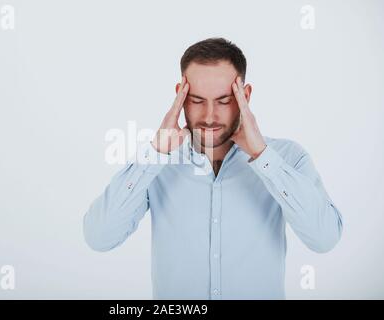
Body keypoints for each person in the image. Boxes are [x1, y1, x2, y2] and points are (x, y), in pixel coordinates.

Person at [83, 37, 343, 299]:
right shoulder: (156, 164)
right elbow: (99, 237)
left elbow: (324, 239)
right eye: (196, 100)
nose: (209, 116)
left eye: (223, 100)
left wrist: (262, 156)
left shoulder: (287, 158)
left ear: (246, 95)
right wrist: (155, 154)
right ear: (180, 96)